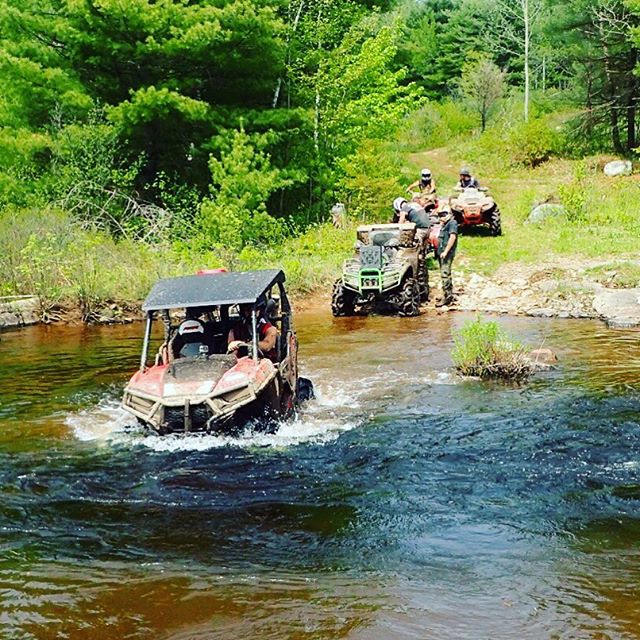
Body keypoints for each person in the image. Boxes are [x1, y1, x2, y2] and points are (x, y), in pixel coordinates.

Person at [435, 205, 458, 307]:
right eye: (439, 215)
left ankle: (447, 297)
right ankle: (448, 294)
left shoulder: (452, 223)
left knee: (445, 274)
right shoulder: (445, 224)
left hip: (446, 254)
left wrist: (445, 251)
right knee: (444, 273)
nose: (441, 217)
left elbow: (452, 237)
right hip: (441, 253)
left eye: (443, 215)